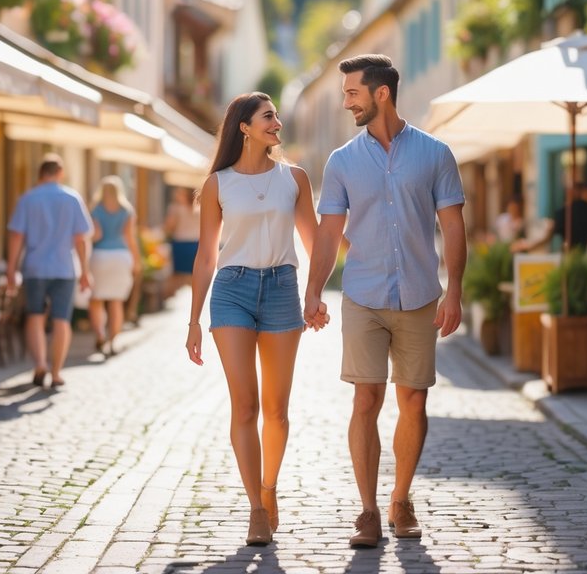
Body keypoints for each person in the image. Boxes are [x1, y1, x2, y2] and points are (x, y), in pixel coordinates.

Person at [303, 54, 466, 549]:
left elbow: (454, 226)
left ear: (381, 94)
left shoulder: (435, 154)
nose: (345, 101)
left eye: (352, 92)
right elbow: (328, 235)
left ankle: (401, 499)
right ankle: (369, 510)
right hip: (364, 297)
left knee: (413, 398)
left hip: (419, 295)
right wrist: (312, 289)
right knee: (365, 398)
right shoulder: (342, 162)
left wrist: (454, 289)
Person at [185, 92, 319, 547]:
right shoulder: (219, 184)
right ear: (244, 126)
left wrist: (315, 294)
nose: (277, 122)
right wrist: (193, 320)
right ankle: (256, 510)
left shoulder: (294, 179)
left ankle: (269, 486)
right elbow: (206, 256)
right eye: (268, 116)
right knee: (246, 406)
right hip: (231, 292)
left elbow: (316, 242)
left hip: (282, 288)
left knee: (277, 411)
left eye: (277, 115)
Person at [6, 153, 93, 389]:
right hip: (65, 268)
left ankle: (40, 364)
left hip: (34, 267)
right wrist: (85, 272)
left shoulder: (28, 199)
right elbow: (80, 239)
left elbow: (16, 236)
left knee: (35, 316)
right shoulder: (72, 198)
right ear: (60, 173)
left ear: (40, 173)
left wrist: (11, 269)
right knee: (61, 319)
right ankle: (56, 373)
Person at [89, 175, 140, 357]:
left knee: (96, 299)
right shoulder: (127, 211)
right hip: (121, 256)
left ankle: (100, 334)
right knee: (116, 301)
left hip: (100, 256)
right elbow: (129, 238)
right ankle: (113, 341)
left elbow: (96, 234)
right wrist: (136, 260)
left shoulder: (95, 210)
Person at [511, 182, 587, 253]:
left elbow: (547, 237)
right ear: (583, 192)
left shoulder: (563, 212)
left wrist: (528, 246)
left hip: (570, 256)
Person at [164, 187, 201, 296]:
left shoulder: (175, 208)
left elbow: (170, 226)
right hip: (196, 243)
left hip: (180, 243)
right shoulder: (200, 207)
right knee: (194, 275)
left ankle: (167, 300)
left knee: (176, 275)